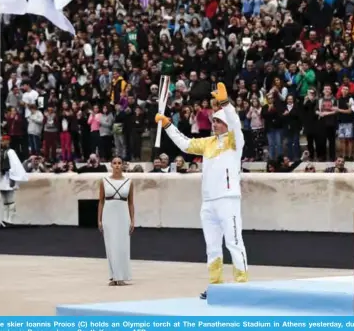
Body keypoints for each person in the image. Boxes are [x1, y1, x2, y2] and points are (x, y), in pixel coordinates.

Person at [155, 82, 248, 300]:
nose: (213, 124)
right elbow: (185, 145)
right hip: (208, 203)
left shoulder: (235, 141)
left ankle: (242, 286)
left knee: (234, 242)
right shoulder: (208, 143)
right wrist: (168, 125)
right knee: (212, 247)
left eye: (217, 121)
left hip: (228, 199)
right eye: (213, 120)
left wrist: (226, 104)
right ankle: (216, 286)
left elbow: (234, 122)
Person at [97, 156, 135, 286]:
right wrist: (99, 219)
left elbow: (131, 203)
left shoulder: (129, 181)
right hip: (109, 214)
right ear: (111, 165)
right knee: (110, 244)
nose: (117, 165)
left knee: (123, 244)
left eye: (119, 163)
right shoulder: (104, 181)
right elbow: (101, 201)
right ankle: (114, 276)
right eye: (115, 163)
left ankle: (122, 276)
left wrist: (132, 220)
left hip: (123, 214)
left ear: (123, 165)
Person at [0, 135, 29, 224]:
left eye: (3, 141)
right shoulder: (0, 152)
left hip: (8, 177)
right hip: (1, 177)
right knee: (5, 200)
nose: (2, 143)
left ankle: (10, 219)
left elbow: (15, 165)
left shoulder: (11, 152)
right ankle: (5, 218)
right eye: (1, 141)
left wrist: (13, 178)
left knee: (10, 199)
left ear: (8, 141)